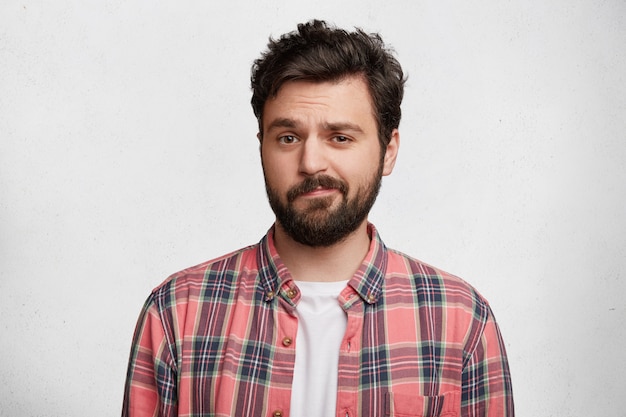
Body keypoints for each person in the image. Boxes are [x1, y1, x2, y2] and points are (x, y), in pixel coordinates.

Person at [122, 19, 514, 417]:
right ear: (262, 147)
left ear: (388, 151)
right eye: (288, 137)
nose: (311, 163)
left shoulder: (461, 321)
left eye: (340, 137)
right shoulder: (177, 312)